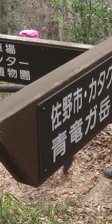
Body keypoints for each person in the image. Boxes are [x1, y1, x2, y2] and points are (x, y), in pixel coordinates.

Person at [19, 28, 74, 174]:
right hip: (43, 101)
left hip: (46, 100)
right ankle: (60, 156)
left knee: (51, 129)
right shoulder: (41, 55)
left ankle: (64, 155)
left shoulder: (34, 58)